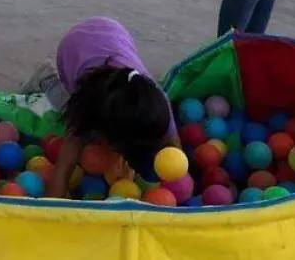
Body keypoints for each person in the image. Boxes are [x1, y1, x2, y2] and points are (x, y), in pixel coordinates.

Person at [22, 17, 179, 198]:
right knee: (68, 108)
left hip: (113, 33)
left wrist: (179, 179)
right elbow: (63, 169)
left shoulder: (154, 102)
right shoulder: (87, 108)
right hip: (73, 49)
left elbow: (174, 149)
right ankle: (46, 78)